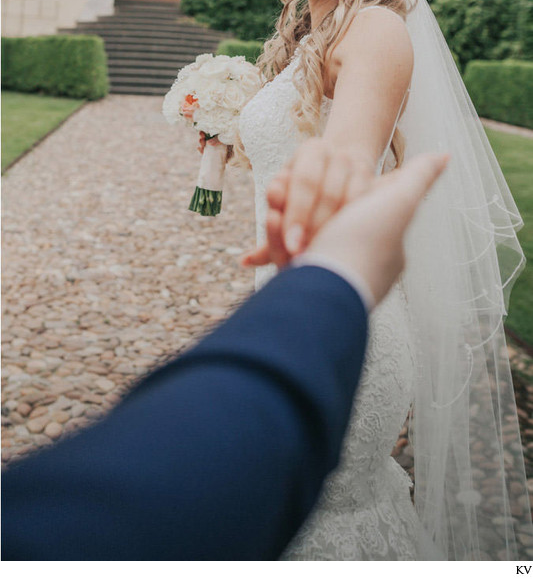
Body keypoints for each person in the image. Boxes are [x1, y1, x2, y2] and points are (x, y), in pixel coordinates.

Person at [229, 0, 531, 560]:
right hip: (298, 288)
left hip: (338, 315)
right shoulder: (314, 32)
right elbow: (301, 152)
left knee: (319, 519)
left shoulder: (374, 28)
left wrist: (324, 184)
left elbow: (346, 162)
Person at [2, 154, 447, 561]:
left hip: (317, 284)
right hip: (296, 279)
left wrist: (332, 270)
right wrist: (337, 274)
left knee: (338, 497)